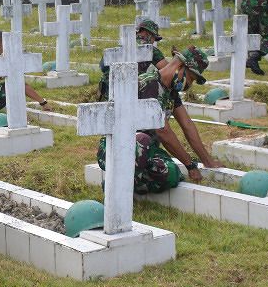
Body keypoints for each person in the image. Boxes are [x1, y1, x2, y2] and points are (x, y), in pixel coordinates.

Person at [95, 46, 223, 193]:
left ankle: (132, 182)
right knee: (143, 140)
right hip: (118, 148)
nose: (189, 84)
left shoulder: (170, 91)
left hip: (146, 150)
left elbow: (187, 125)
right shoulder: (150, 84)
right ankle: (116, 185)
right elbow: (163, 131)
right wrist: (190, 165)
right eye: (190, 78)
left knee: (171, 174)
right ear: (180, 66)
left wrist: (208, 161)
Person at [98, 18, 166, 100]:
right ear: (149, 34)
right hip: (130, 91)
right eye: (154, 39)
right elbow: (166, 69)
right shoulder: (149, 49)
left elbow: (102, 67)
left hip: (108, 90)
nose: (153, 42)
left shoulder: (122, 46)